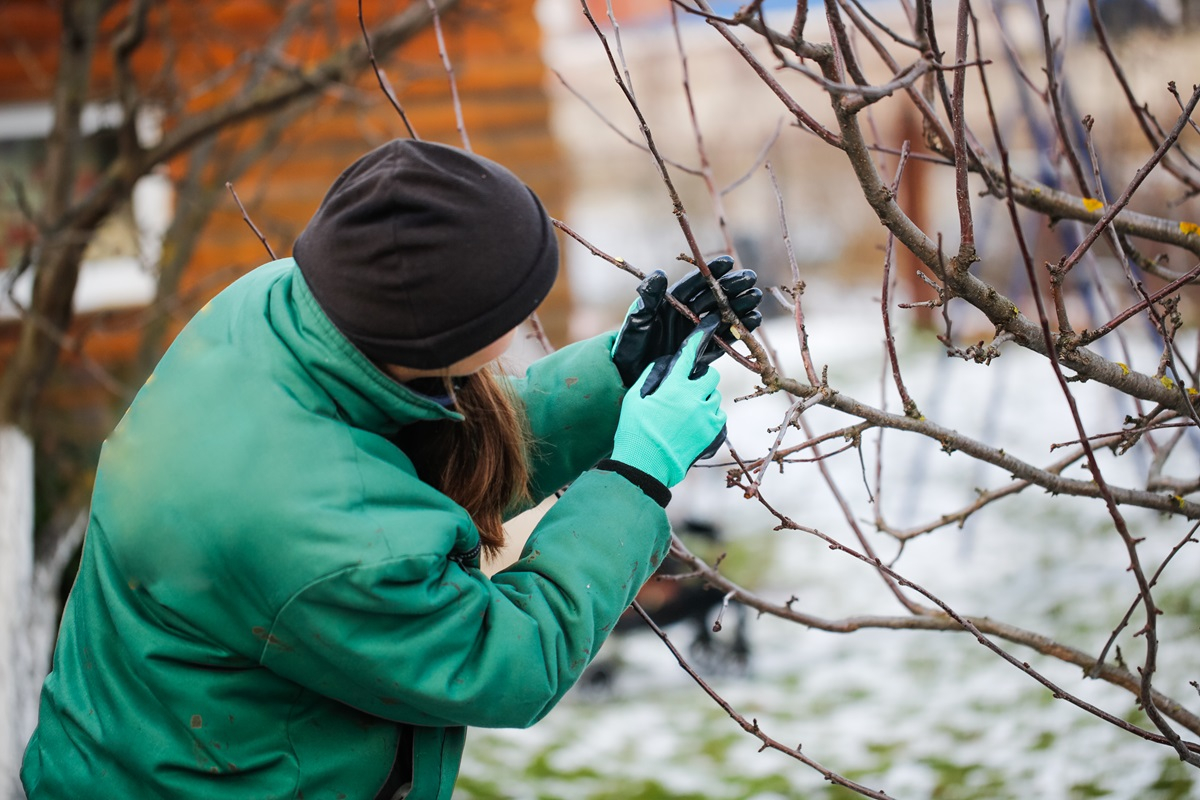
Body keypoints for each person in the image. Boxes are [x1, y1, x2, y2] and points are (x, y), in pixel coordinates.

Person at [21, 139, 762, 799]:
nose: (521, 326)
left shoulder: (281, 307)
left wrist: (615, 377)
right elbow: (502, 660)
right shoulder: (327, 531)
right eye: (516, 308)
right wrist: (637, 479)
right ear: (450, 338)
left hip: (148, 749)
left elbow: (417, 461)